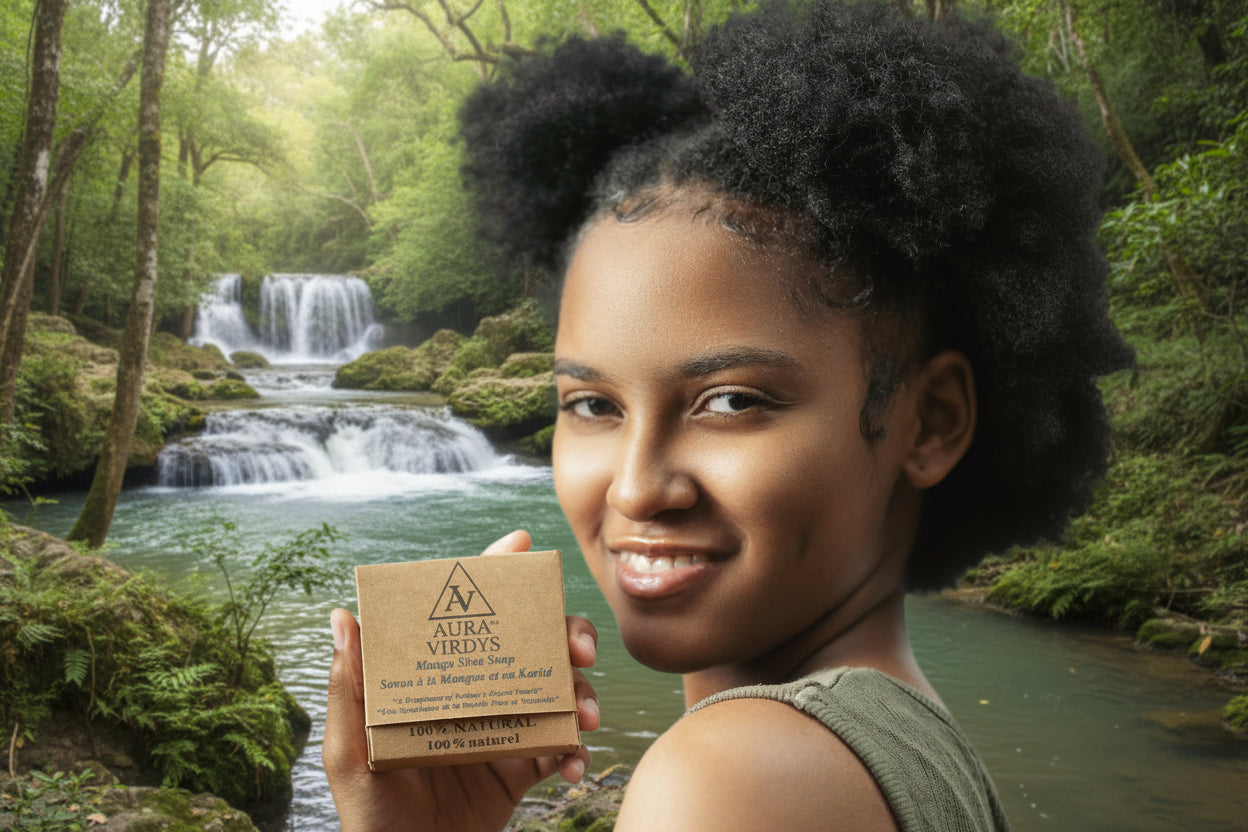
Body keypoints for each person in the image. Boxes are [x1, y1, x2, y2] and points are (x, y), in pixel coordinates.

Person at [322, 1, 1133, 830]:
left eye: (733, 401)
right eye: (593, 403)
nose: (637, 489)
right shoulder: (904, 747)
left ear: (929, 421)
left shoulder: (733, 780)